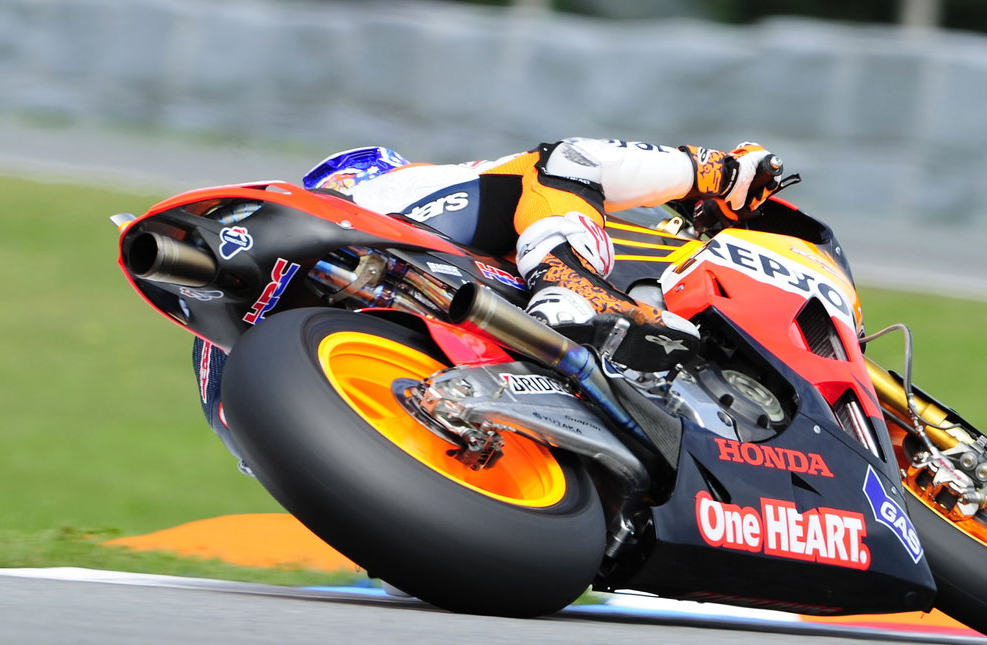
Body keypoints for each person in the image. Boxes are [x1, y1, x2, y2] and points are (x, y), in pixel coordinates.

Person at [193, 138, 781, 468]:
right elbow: (548, 169)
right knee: (567, 161)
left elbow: (231, 419)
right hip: (396, 298)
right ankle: (570, 293)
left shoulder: (225, 336)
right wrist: (717, 175)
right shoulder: (400, 188)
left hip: (340, 433)